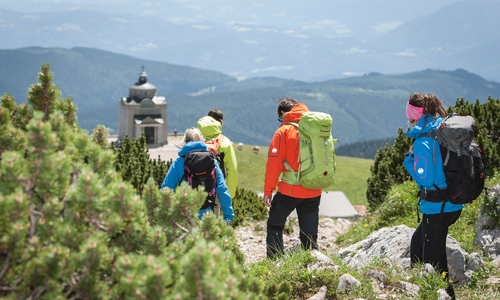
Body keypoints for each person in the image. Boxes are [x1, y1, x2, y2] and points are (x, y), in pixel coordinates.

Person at [403, 93, 462, 299]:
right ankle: (419, 288)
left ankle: (446, 294)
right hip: (453, 203)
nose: (409, 122)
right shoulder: (442, 130)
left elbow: (425, 180)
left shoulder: (422, 141)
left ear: (415, 117)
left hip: (438, 207)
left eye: (410, 118)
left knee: (436, 263)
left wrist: (409, 160)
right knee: (417, 245)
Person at [263, 97, 322, 259]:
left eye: (279, 118)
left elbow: (273, 165)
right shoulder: (316, 127)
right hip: (314, 188)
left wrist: (268, 190)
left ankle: (275, 264)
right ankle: (312, 263)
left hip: (290, 189)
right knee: (309, 233)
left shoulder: (283, 131)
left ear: (283, 113)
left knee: (275, 224)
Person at [160, 127, 234, 224]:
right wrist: (228, 216)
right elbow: (222, 189)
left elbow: (166, 190)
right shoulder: (212, 162)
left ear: (185, 141)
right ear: (203, 141)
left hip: (185, 216)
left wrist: (163, 217)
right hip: (207, 216)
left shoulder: (179, 163)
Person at [197, 109, 238, 217]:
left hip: (194, 183)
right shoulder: (224, 142)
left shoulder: (195, 138)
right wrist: (230, 194)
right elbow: (232, 169)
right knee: (214, 215)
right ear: (220, 122)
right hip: (215, 185)